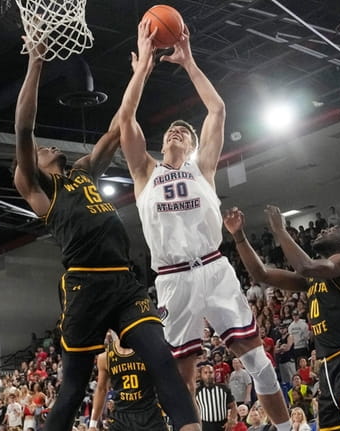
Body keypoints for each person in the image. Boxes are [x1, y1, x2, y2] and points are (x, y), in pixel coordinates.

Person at [12, 36, 198, 431]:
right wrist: (35, 64)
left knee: (161, 357)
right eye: (40, 150)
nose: (45, 147)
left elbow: (118, 127)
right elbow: (24, 128)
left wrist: (142, 72)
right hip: (84, 285)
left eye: (46, 147)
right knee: (73, 389)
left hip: (124, 281)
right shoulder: (37, 187)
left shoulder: (82, 171)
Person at [118, 20, 290, 429]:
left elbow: (217, 109)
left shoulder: (203, 168)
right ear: (162, 144)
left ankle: (288, 428)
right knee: (183, 378)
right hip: (173, 279)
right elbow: (126, 121)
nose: (178, 131)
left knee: (258, 362)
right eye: (172, 129)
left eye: (185, 131)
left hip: (214, 268)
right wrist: (142, 69)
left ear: (194, 146)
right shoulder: (145, 172)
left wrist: (190, 63)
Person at [223, 206, 340, 431]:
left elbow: (305, 266)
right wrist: (238, 236)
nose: (325, 230)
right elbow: (262, 274)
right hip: (327, 367)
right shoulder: (313, 279)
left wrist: (280, 230)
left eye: (333, 229)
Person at [89, 331, 165, 431]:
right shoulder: (105, 356)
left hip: (148, 413)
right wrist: (92, 425)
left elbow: (165, 383)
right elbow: (101, 389)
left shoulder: (149, 349)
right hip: (121, 416)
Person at [197, 364, 238, 431]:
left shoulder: (224, 388)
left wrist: (231, 420)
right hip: (205, 425)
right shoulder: (197, 391)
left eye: (210, 372)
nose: (208, 375)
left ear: (214, 373)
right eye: (205, 373)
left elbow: (233, 406)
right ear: (201, 375)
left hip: (222, 425)